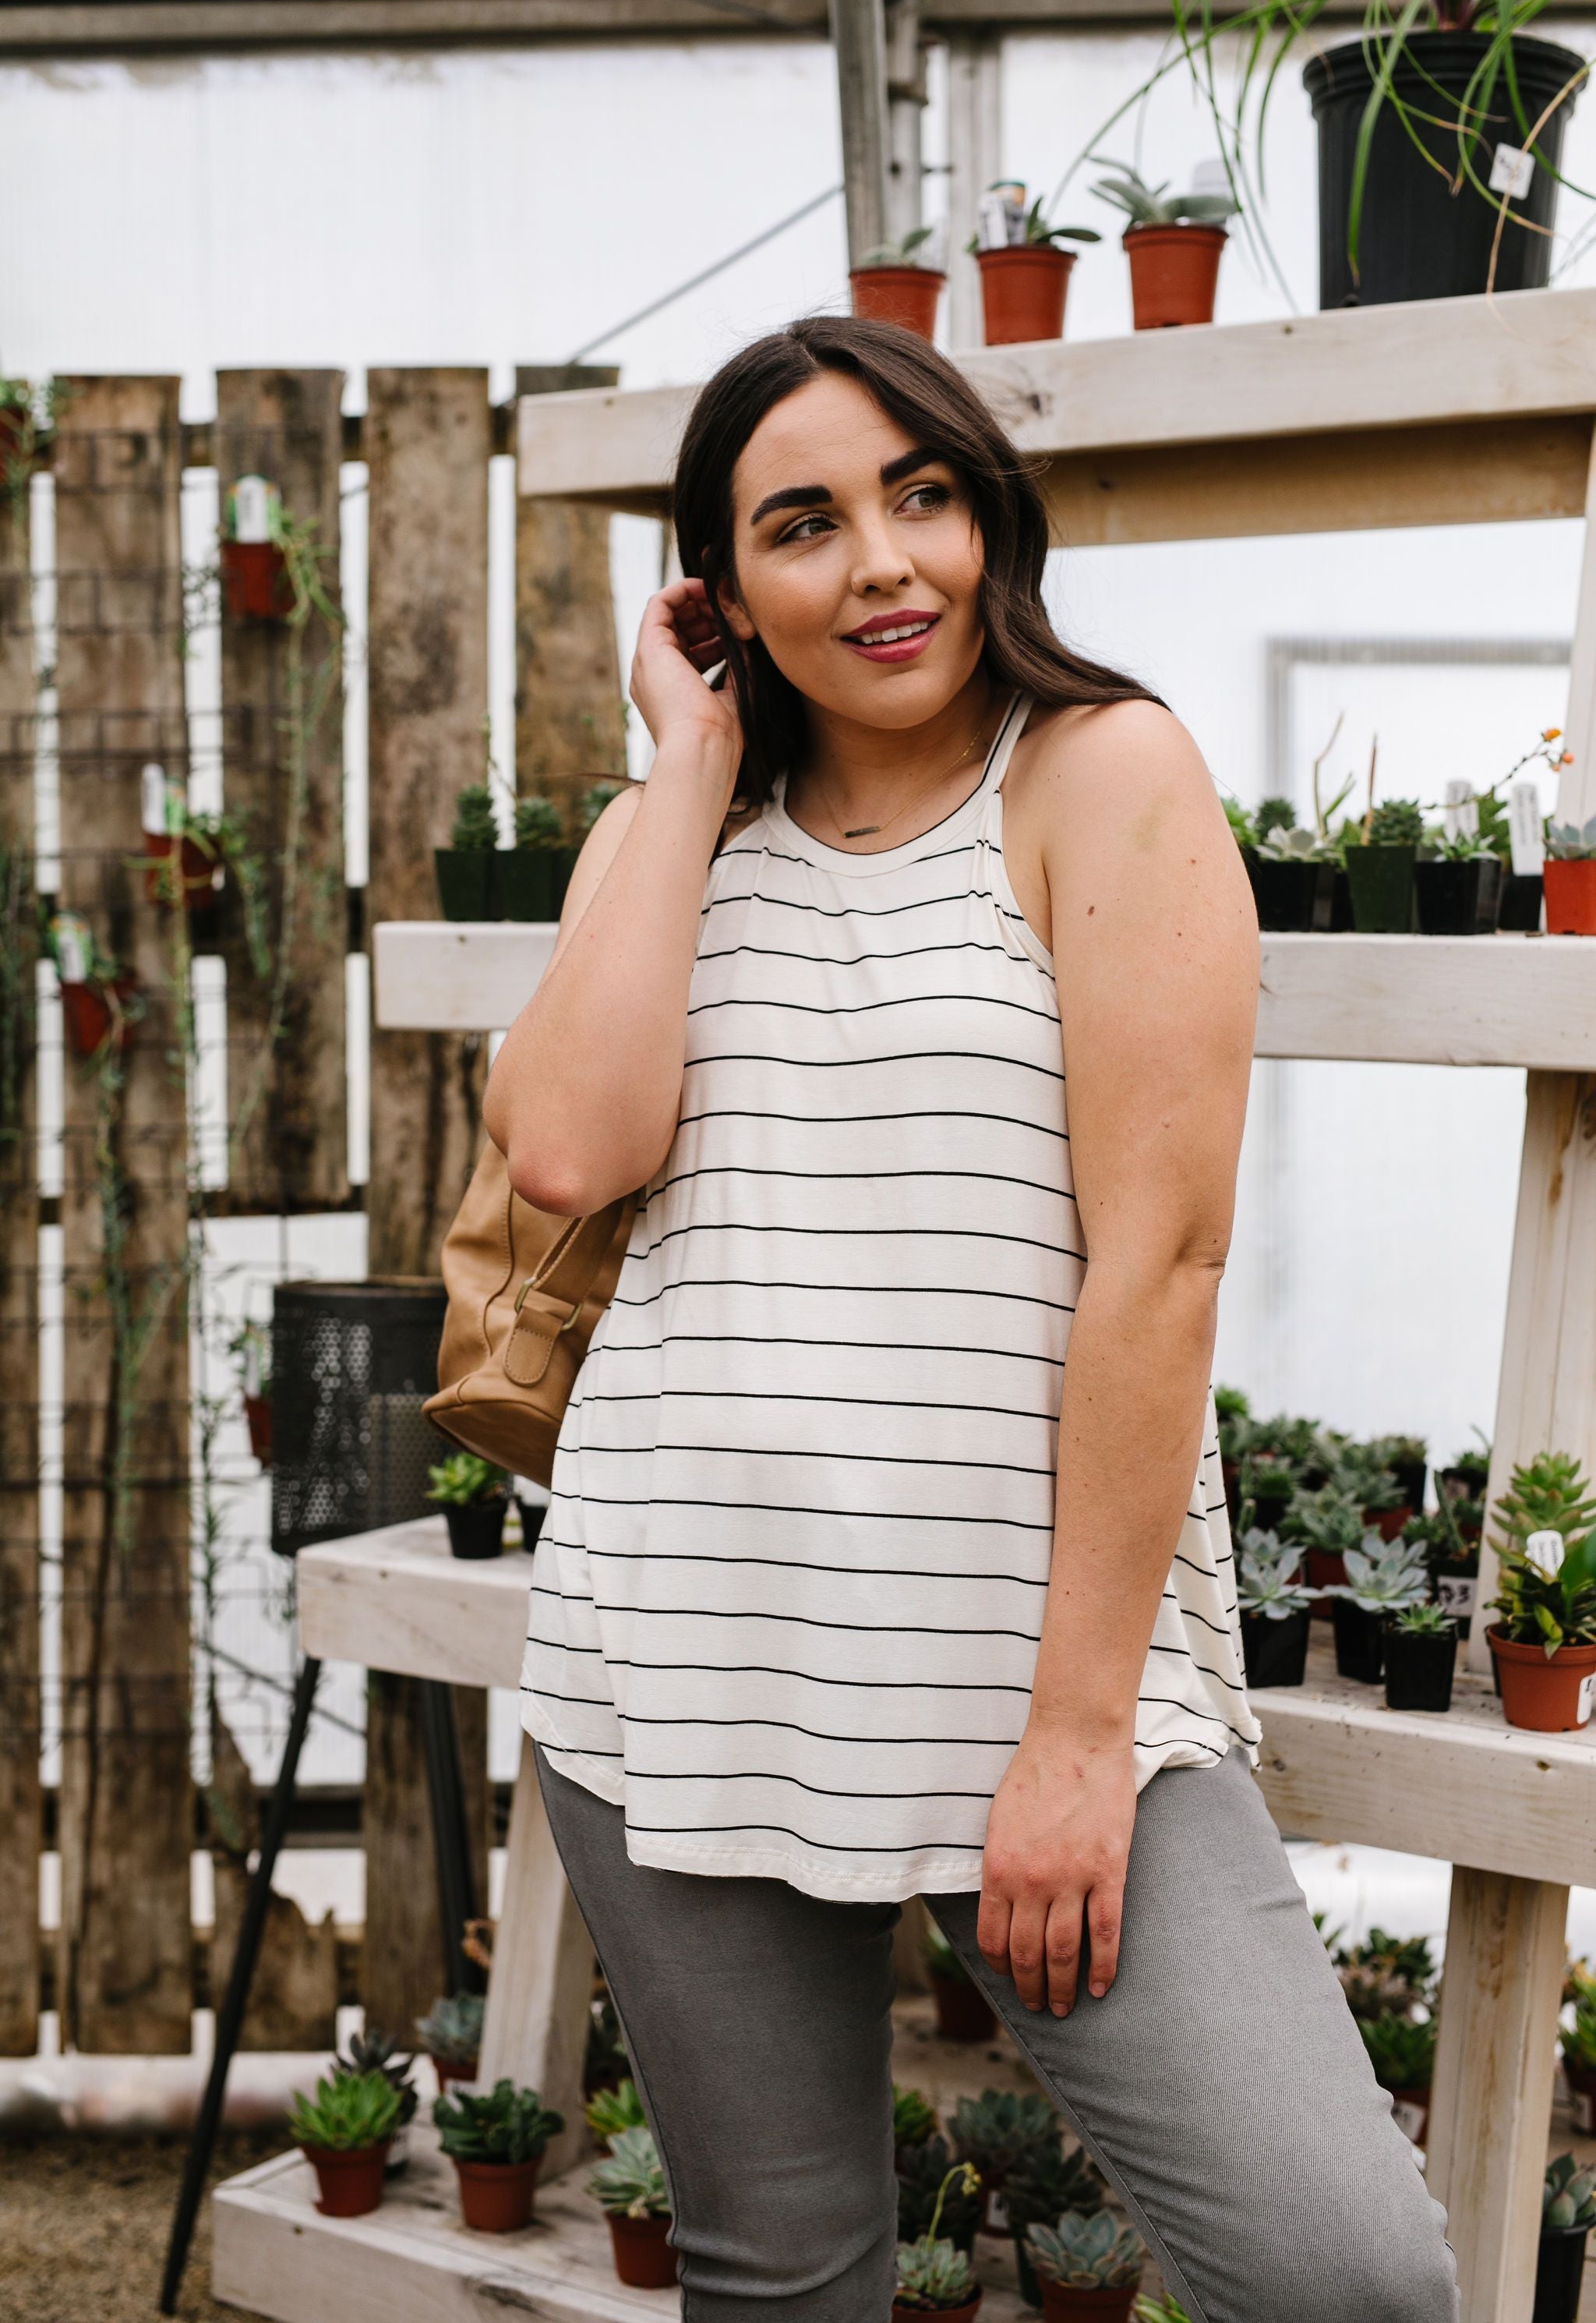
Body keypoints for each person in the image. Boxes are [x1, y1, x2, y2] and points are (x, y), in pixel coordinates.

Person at [482, 315, 1456, 2322]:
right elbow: (568, 1155)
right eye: (804, 524)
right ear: (724, 586)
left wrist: (1081, 1740)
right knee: (784, 2271)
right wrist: (688, 762)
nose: (883, 565)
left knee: (1345, 2275)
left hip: (1037, 1678)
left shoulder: (1102, 776)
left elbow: (1160, 1265)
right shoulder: (674, 836)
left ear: (988, 513)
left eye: (919, 494)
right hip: (684, 1646)